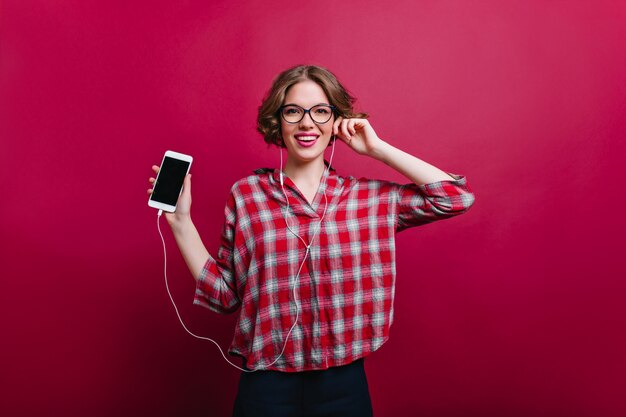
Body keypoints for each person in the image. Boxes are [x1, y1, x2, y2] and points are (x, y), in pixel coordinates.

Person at [148, 65, 475, 416]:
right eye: (294, 111)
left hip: (343, 385)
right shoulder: (247, 196)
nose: (307, 123)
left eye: (320, 111)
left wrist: (377, 149)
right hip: (265, 386)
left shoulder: (366, 198)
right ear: (279, 120)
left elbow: (454, 197)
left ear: (336, 121)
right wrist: (181, 223)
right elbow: (225, 294)